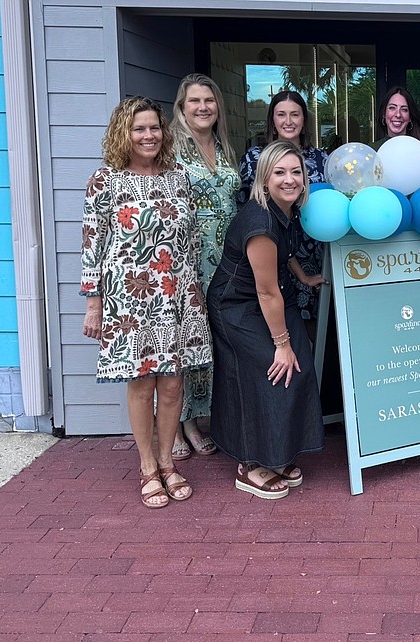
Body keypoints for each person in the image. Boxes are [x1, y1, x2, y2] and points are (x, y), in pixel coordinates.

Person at [80, 96, 212, 508]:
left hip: (176, 292)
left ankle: (169, 463)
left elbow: (191, 240)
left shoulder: (179, 178)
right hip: (128, 295)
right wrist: (93, 302)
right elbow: (92, 243)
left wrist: (195, 296)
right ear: (125, 132)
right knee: (142, 383)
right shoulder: (106, 180)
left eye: (154, 127)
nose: (148, 135)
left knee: (173, 383)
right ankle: (147, 467)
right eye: (139, 128)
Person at [208, 141, 324, 499]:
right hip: (238, 306)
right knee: (271, 371)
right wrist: (282, 343)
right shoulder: (259, 221)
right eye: (280, 172)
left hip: (272, 297)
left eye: (296, 172)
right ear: (264, 178)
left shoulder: (285, 209)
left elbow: (281, 256)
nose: (289, 180)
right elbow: (265, 291)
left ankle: (278, 453)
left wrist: (303, 277)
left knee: (298, 368)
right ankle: (249, 463)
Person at [169, 73, 239, 461]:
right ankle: (182, 424)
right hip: (187, 262)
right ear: (182, 107)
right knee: (183, 344)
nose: (202, 108)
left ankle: (200, 416)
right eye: (194, 101)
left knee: (209, 343)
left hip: (225, 261)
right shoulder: (171, 151)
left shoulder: (225, 147)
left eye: (209, 101)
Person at [238, 90, 327, 338]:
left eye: (295, 114)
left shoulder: (320, 159)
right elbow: (249, 208)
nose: (288, 121)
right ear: (272, 120)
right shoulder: (255, 158)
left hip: (313, 250)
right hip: (270, 251)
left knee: (314, 329)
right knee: (275, 318)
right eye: (281, 114)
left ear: (304, 120)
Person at [375, 86, 420, 156]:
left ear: (410, 117)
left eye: (404, 109)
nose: (398, 114)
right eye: (392, 108)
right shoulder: (374, 151)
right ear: (384, 113)